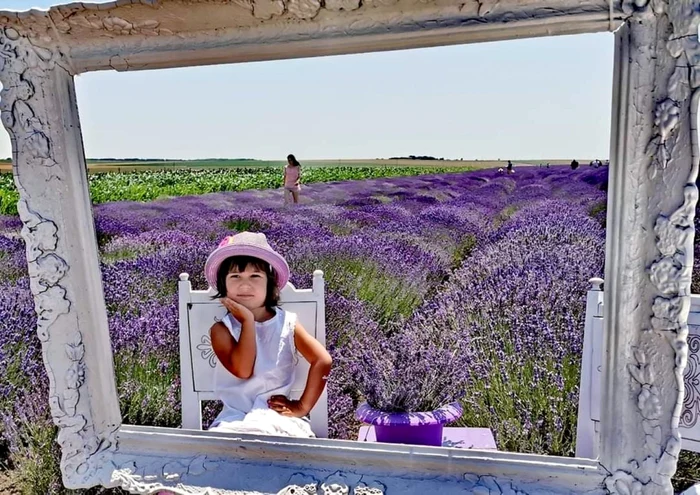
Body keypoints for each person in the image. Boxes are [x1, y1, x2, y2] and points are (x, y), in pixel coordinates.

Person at [204, 232, 332, 437]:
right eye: (235, 276)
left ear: (270, 285)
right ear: (223, 285)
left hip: (276, 415)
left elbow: (322, 360)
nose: (245, 285)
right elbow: (243, 370)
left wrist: (302, 406)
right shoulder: (222, 330)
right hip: (236, 416)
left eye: (255, 276)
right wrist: (247, 321)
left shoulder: (287, 323)